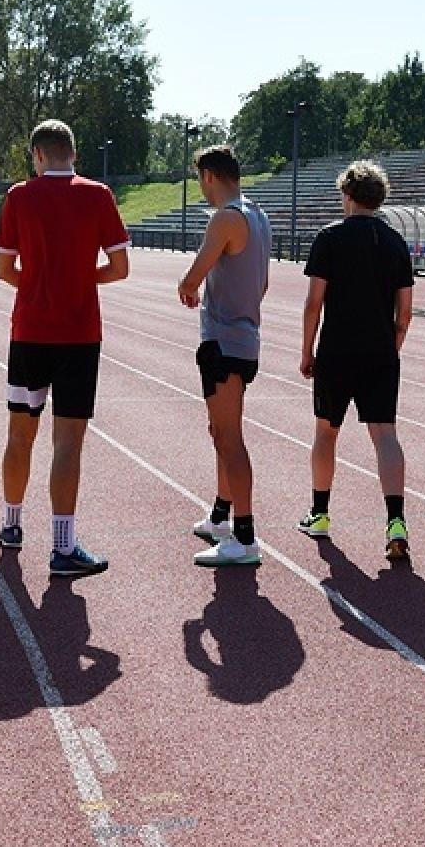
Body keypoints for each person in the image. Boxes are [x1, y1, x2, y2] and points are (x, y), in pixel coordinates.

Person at [0, 120, 130, 577]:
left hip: (28, 332)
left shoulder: (19, 196)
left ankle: (11, 525)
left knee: (20, 433)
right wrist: (77, 278)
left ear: (36, 154)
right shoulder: (98, 195)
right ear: (74, 152)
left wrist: (39, 282)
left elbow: (4, 268)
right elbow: (119, 267)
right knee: (68, 442)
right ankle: (63, 546)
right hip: (79, 335)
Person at [298, 161, 415, 559]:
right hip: (381, 351)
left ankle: (320, 514)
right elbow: (406, 311)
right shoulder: (396, 242)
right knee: (385, 436)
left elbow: (314, 302)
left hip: (337, 351)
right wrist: (393, 345)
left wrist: (306, 350)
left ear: (347, 195)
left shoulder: (329, 238)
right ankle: (396, 520)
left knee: (326, 433)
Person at [177, 145, 271, 568]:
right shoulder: (258, 215)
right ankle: (220, 517)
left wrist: (192, 286)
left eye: (200, 179)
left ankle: (245, 536)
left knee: (230, 438)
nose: (201, 188)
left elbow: (192, 277)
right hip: (243, 335)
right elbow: (262, 282)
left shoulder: (226, 217)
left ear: (210, 176)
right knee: (220, 431)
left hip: (224, 340)